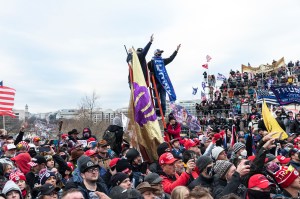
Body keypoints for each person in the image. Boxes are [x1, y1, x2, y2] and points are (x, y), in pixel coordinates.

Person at [148, 44, 181, 117]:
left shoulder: (162, 61)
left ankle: (163, 113)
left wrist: (176, 51)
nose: (160, 54)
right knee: (157, 99)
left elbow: (170, 59)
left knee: (163, 99)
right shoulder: (151, 63)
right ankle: (157, 114)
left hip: (162, 83)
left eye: (161, 53)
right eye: (159, 53)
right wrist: (151, 75)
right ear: (156, 53)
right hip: (155, 83)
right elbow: (146, 70)